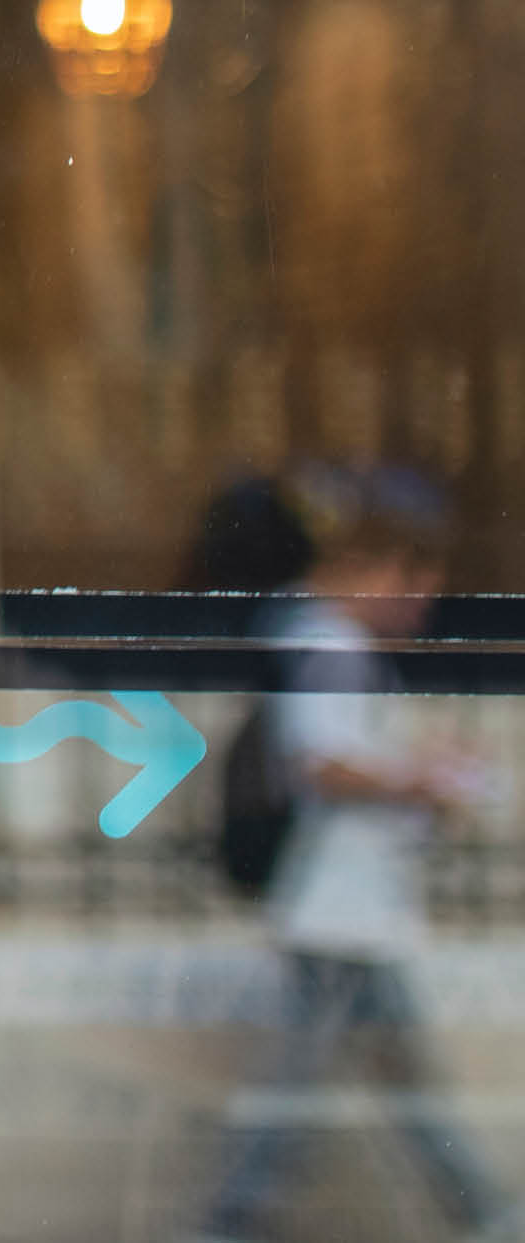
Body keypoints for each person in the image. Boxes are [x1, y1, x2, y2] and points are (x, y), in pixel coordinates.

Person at [188, 463, 504, 1243]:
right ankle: (232, 1222)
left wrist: (415, 768)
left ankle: (486, 1210)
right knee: (308, 1086)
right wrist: (423, 780)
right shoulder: (328, 645)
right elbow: (322, 762)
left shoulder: (318, 640)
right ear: (368, 569)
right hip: (337, 904)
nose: (421, 599)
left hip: (350, 904)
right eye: (412, 577)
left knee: (383, 1081)